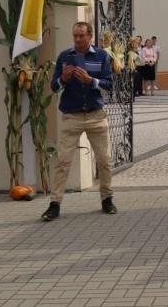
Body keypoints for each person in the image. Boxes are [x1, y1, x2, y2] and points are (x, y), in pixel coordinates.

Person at [41, 20, 116, 222]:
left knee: (104, 161)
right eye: (75, 35)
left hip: (95, 116)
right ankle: (54, 204)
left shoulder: (101, 56)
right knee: (63, 161)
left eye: (82, 35)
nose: (78, 39)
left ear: (90, 36)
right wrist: (63, 79)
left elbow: (109, 84)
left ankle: (107, 199)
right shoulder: (65, 57)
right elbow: (54, 86)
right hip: (71, 117)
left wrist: (91, 81)